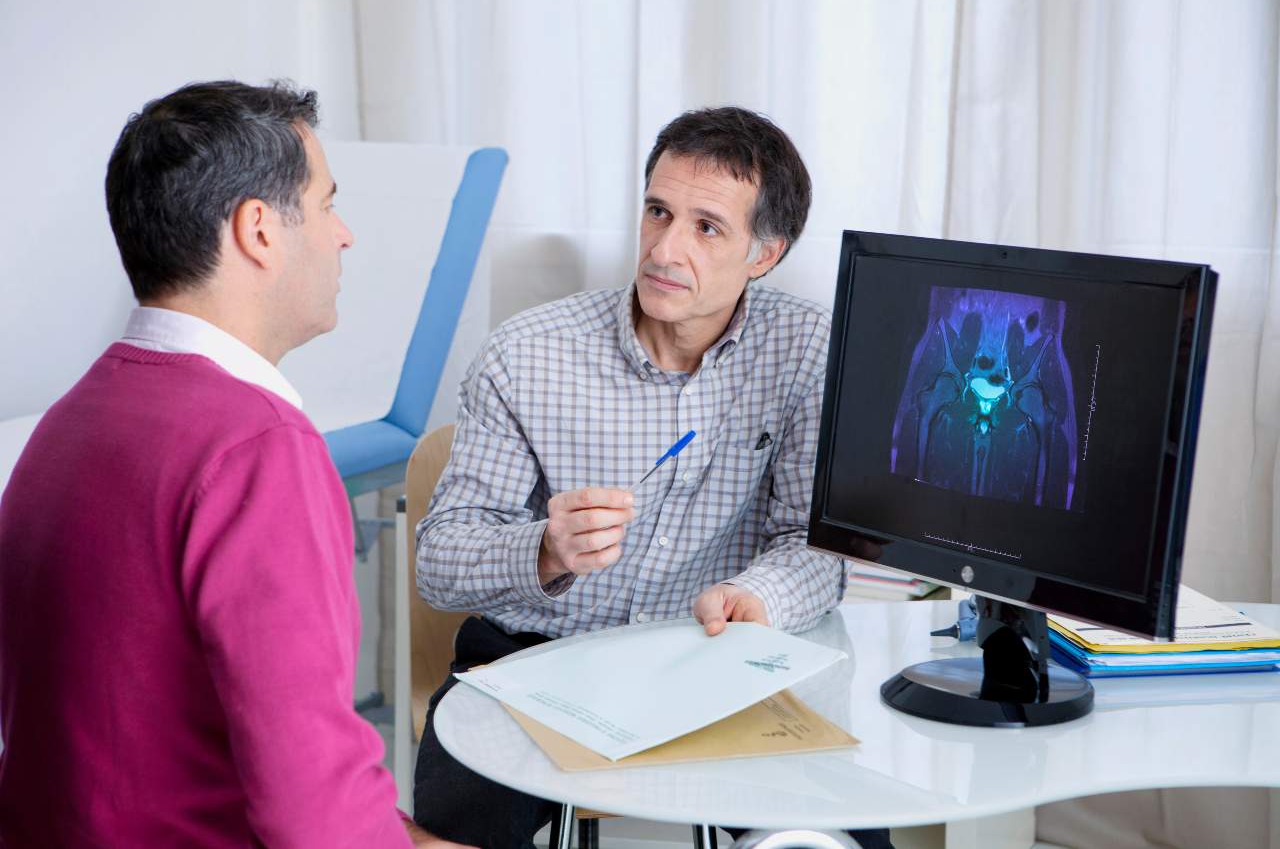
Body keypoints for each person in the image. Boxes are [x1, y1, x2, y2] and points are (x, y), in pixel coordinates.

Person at [0, 80, 467, 848]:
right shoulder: (257, 449)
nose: (343, 234)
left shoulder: (69, 421)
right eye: (325, 204)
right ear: (258, 230)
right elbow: (312, 817)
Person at [413, 107, 891, 849]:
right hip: (534, 660)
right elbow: (438, 561)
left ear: (765, 255)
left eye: (707, 227)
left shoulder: (807, 352)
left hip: (712, 663)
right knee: (455, 826)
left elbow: (814, 542)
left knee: (836, 835)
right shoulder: (526, 355)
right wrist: (544, 548)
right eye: (658, 212)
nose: (665, 248)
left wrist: (755, 596)